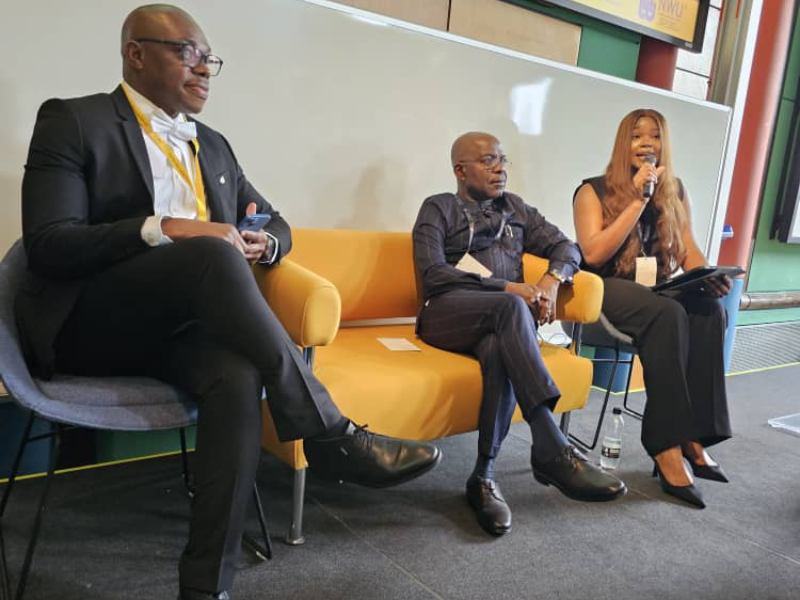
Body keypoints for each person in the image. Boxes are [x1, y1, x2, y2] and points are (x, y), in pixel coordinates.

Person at [17, 5, 440, 599]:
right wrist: (169, 227)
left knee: (238, 376)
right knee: (212, 253)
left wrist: (264, 241)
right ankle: (329, 432)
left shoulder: (213, 147)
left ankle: (206, 585)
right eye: (187, 51)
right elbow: (48, 246)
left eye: (210, 58)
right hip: (89, 324)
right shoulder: (74, 121)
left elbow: (277, 223)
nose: (205, 68)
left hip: (176, 332)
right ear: (135, 53)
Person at [412, 132, 626, 537]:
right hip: (445, 314)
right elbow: (433, 274)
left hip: (499, 322)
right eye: (489, 161)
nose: (501, 169)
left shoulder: (516, 209)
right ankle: (550, 445)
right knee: (512, 308)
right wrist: (510, 289)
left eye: (503, 160)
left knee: (497, 349)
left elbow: (568, 247)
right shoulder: (437, 208)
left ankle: (483, 478)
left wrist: (548, 282)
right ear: (461, 170)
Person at [573, 108, 733, 509]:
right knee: (668, 314)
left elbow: (689, 249)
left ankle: (693, 436)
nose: (647, 144)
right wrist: (637, 201)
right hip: (604, 292)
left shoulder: (674, 190)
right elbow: (593, 254)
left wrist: (704, 276)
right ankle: (665, 447)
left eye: (655, 137)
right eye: (637, 136)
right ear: (622, 143)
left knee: (708, 309)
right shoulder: (592, 191)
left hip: (657, 293)